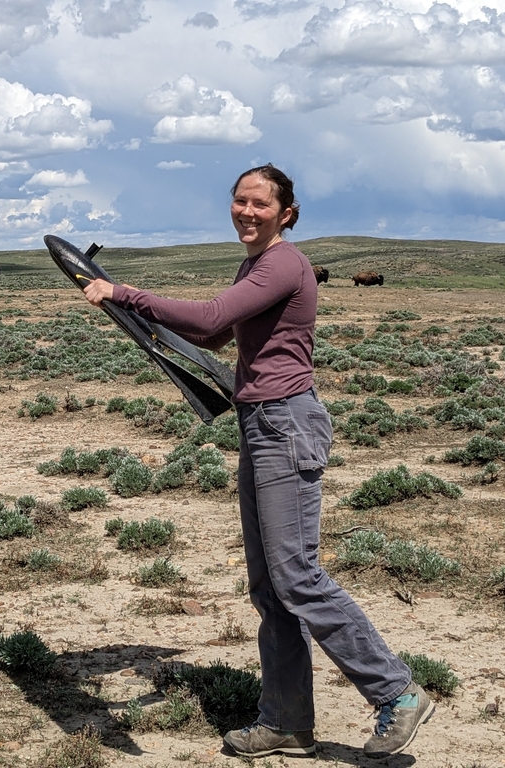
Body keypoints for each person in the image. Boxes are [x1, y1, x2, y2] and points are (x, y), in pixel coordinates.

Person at [82, 164, 434, 759]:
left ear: (286, 214)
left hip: (285, 424)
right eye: (238, 201)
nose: (246, 211)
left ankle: (395, 692)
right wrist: (140, 317)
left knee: (296, 575)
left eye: (260, 204)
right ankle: (287, 723)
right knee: (271, 588)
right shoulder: (256, 265)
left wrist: (123, 293)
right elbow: (219, 341)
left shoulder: (283, 264)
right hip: (261, 422)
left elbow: (213, 319)